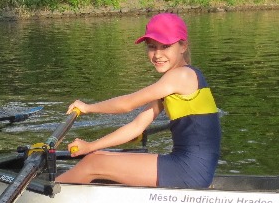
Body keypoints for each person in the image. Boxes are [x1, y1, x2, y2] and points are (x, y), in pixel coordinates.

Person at [58, 13, 221, 188]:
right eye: (152, 47)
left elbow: (127, 104)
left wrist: (87, 108)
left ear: (183, 46)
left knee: (93, 164)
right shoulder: (179, 80)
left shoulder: (181, 76)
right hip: (192, 168)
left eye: (165, 46)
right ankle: (58, 188)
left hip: (189, 170)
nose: (157, 54)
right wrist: (91, 146)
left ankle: (48, 193)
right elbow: (136, 127)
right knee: (95, 157)